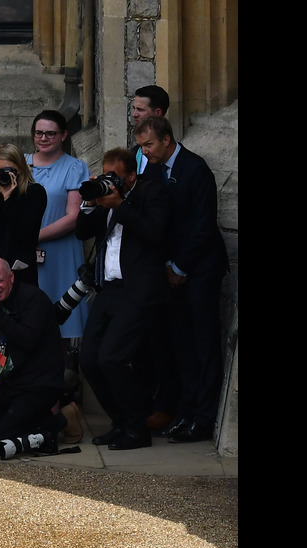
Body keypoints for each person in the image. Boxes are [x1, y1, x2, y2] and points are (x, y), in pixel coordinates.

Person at [133, 116, 228, 444]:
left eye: (149, 145)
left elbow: (203, 226)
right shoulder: (154, 169)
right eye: (141, 146)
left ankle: (203, 417)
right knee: (180, 345)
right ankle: (186, 412)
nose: (144, 152)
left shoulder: (195, 169)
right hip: (170, 270)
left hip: (199, 270)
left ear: (167, 139)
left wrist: (180, 267)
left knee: (203, 344)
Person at [75, 147, 170, 450]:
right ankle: (121, 422)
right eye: (105, 175)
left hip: (138, 290)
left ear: (131, 175)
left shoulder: (151, 192)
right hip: (109, 289)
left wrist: (121, 205)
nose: (110, 181)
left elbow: (155, 233)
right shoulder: (105, 199)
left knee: (112, 357)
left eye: (115, 176)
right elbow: (82, 231)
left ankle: (136, 428)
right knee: (89, 358)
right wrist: (91, 202)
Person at [0, 257, 67, 454]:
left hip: (40, 383)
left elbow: (27, 340)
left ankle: (54, 423)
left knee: (1, 440)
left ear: (11, 277)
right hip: (12, 385)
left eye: (0, 281)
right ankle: (41, 419)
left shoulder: (33, 298)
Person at [129, 84, 176, 432]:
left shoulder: (173, 162)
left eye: (140, 110)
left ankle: (169, 406)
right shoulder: (137, 155)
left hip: (168, 267)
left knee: (167, 343)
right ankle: (143, 403)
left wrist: (177, 265)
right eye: (132, 109)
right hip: (136, 269)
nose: (134, 114)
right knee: (141, 344)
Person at [27, 110, 91, 345]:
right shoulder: (21, 164)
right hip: (25, 253)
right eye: (39, 133)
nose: (43, 138)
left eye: (50, 134)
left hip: (60, 252)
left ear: (64, 135)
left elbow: (74, 216)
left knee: (61, 317)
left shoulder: (75, 167)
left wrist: (35, 236)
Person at [0, 142, 47, 286]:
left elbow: (25, 233)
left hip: (19, 272)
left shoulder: (35, 192)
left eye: (10, 170)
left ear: (21, 169)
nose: (5, 175)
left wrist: (8, 199)